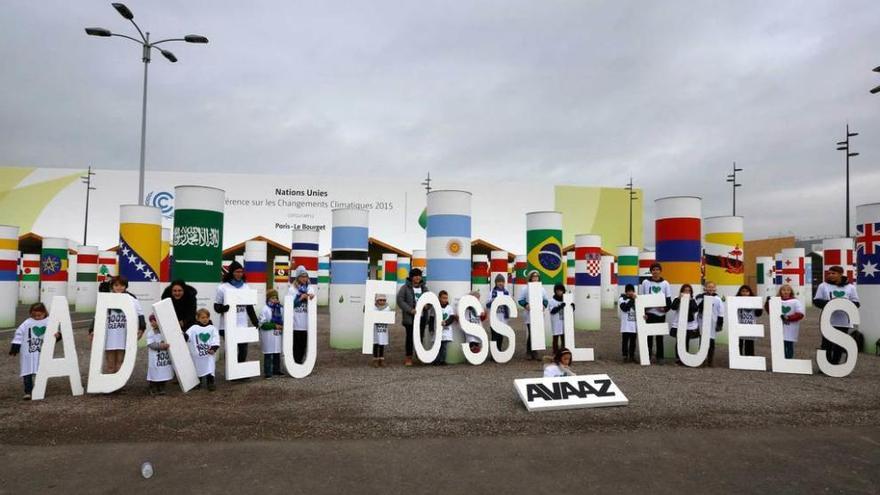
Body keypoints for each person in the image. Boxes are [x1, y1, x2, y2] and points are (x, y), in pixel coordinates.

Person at [90, 275, 146, 375]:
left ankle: (119, 387)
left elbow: (140, 313)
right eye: (116, 285)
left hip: (123, 335)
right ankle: (111, 385)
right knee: (110, 363)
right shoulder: (106, 298)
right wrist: (91, 330)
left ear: (125, 286)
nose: (119, 287)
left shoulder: (131, 299)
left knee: (120, 362)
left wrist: (142, 328)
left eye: (122, 285)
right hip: (109, 335)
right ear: (112, 286)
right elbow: (97, 315)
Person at [9, 302, 59, 400]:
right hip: (28, 352)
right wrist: (16, 344)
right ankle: (28, 392)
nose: (36, 317)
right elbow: (19, 332)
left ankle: (38, 390)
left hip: (41, 352)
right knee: (27, 372)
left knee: (40, 371)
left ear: (44, 313)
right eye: (34, 315)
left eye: (39, 315)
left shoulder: (49, 322)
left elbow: (55, 332)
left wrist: (58, 335)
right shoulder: (27, 322)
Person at [813, 265, 860, 364]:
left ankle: (835, 364)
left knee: (840, 344)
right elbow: (817, 301)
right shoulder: (823, 286)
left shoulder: (850, 287)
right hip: (828, 320)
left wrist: (843, 304)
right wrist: (830, 304)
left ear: (840, 274)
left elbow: (856, 303)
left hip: (843, 321)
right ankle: (825, 365)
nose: (830, 275)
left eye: (833, 273)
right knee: (826, 344)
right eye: (829, 273)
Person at [214, 261, 259, 364]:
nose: (239, 274)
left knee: (243, 349)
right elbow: (216, 306)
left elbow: (249, 307)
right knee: (231, 350)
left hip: (242, 324)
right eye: (237, 272)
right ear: (231, 273)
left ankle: (241, 370)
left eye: (241, 272)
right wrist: (224, 308)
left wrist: (255, 321)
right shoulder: (222, 287)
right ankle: (231, 372)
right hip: (227, 325)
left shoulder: (246, 287)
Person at [638, 263, 672, 363]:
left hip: (660, 315)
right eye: (653, 269)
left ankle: (660, 356)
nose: (655, 271)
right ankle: (647, 355)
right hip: (649, 314)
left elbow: (668, 300)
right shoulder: (645, 282)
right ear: (651, 271)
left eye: (657, 269)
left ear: (660, 271)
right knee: (648, 336)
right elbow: (641, 298)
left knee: (659, 336)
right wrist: (643, 312)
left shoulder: (665, 283)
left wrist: (665, 309)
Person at [397, 267, 428, 366]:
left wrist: (427, 306)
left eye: (419, 275)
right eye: (415, 276)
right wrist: (410, 310)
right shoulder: (404, 288)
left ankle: (420, 356)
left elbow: (429, 299)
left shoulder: (424, 288)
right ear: (411, 277)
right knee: (410, 337)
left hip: (422, 317)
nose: (418, 277)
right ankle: (408, 357)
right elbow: (400, 300)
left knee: (420, 337)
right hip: (410, 318)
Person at [184, 308, 220, 391]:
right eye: (202, 317)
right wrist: (182, 334)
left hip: (209, 354)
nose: (205, 319)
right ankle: (197, 383)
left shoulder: (212, 328)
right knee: (197, 368)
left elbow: (216, 339)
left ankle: (210, 383)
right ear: (197, 318)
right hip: (197, 355)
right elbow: (187, 336)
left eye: (206, 317)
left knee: (210, 368)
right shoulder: (193, 328)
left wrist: (213, 349)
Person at [765, 284, 804, 359]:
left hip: (790, 327)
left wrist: (788, 317)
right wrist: (768, 302)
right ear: (780, 291)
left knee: (788, 344)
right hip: (779, 327)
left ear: (791, 292)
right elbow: (770, 311)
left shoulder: (795, 302)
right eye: (783, 290)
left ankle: (788, 360)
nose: (786, 292)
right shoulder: (776, 301)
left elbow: (800, 314)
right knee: (779, 345)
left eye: (788, 290)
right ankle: (780, 360)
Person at [518, 270, 548, 360]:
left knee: (537, 333)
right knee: (531, 333)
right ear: (530, 277)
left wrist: (544, 305)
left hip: (538, 314)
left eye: (537, 276)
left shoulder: (542, 288)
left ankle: (535, 352)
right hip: (529, 314)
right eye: (533, 276)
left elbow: (545, 299)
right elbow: (520, 300)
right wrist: (526, 305)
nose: (535, 278)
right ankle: (529, 351)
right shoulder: (525, 288)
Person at [694, 281, 724, 367]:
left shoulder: (718, 299)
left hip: (712, 324)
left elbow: (721, 312)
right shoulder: (699, 297)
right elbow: (696, 309)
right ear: (705, 288)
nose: (710, 289)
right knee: (702, 341)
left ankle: (710, 360)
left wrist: (720, 324)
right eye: (709, 287)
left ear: (715, 289)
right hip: (702, 323)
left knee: (711, 342)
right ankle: (701, 359)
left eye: (712, 287)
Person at [291, 265, 316, 364]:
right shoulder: (292, 289)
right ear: (297, 277)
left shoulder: (310, 288)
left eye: (306, 276)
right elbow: (289, 305)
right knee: (295, 345)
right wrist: (300, 298)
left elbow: (313, 301)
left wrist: (311, 297)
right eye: (302, 276)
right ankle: (294, 363)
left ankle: (301, 363)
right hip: (295, 324)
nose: (305, 279)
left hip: (306, 324)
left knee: (303, 345)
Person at [669, 284, 699, 364]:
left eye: (689, 290)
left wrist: (690, 300)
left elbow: (695, 309)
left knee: (686, 341)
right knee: (679, 341)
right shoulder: (677, 298)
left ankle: (685, 358)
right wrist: (679, 298)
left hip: (688, 325)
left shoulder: (693, 300)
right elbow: (673, 307)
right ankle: (678, 358)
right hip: (679, 323)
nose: (687, 292)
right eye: (685, 290)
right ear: (682, 291)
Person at [258, 289, 284, 378]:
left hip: (278, 334)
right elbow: (262, 324)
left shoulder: (280, 308)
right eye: (272, 298)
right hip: (268, 335)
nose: (274, 300)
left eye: (276, 298)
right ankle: (267, 372)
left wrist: (282, 325)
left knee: (277, 352)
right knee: (268, 353)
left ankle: (276, 370)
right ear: (268, 299)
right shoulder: (265, 309)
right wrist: (274, 325)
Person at [145, 314, 173, 396]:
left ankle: (161, 387)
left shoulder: (165, 332)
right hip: (155, 358)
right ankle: (152, 386)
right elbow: (151, 344)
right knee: (155, 372)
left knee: (164, 372)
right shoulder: (151, 333)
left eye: (155, 320)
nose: (153, 323)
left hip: (164, 358)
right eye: (151, 321)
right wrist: (161, 346)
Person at [735, 285, 763, 357]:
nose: (745, 293)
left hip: (750, 324)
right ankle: (738, 357)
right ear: (740, 292)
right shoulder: (736, 301)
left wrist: (759, 306)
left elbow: (758, 314)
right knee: (739, 343)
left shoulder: (754, 301)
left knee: (749, 342)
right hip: (739, 324)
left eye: (747, 291)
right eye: (743, 291)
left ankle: (749, 357)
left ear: (750, 292)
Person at [486, 274, 511, 352]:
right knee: (494, 336)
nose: (501, 283)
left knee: (500, 336)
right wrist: (493, 300)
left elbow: (510, 304)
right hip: (494, 317)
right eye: (499, 282)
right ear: (496, 283)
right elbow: (487, 304)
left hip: (503, 318)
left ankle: (499, 350)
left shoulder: (507, 292)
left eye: (502, 282)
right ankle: (494, 352)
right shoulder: (492, 292)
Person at [433, 290, 456, 365]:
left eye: (446, 298)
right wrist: (431, 328)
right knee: (436, 346)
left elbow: (452, 318)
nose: (445, 300)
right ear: (439, 298)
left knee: (444, 347)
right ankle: (436, 360)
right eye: (443, 298)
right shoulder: (436, 307)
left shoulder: (449, 308)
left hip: (446, 331)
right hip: (437, 330)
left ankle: (442, 360)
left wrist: (446, 322)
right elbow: (431, 317)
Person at [617, 284, 638, 363]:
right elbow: (625, 308)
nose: (630, 292)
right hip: (626, 325)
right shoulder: (622, 299)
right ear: (626, 292)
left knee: (633, 342)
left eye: (631, 291)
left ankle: (632, 356)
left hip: (634, 325)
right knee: (625, 341)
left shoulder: (637, 299)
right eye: (628, 291)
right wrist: (632, 300)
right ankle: (625, 356)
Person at [547, 283, 569, 354]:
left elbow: (570, 311)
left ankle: (564, 351)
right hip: (556, 322)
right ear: (555, 291)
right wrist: (560, 306)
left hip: (564, 322)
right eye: (558, 291)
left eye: (561, 291)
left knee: (564, 338)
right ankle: (555, 352)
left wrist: (572, 306)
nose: (559, 292)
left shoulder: (566, 300)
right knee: (555, 338)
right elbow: (552, 311)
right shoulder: (551, 301)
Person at [371, 294, 392, 367]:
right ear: (377, 300)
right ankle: (375, 359)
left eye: (384, 300)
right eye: (380, 300)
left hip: (383, 330)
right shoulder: (373, 307)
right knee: (376, 344)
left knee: (382, 344)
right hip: (375, 330)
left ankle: (381, 359)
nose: (382, 302)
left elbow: (390, 318)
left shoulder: (387, 308)